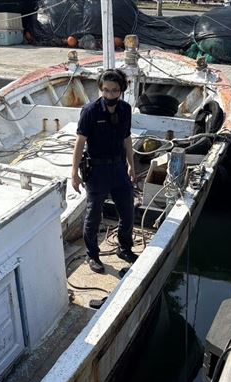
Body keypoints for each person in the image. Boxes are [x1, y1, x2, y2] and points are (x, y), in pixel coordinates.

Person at [71, 69, 138, 274]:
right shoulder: (90, 111)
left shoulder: (125, 109)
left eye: (115, 90)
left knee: (127, 210)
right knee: (94, 215)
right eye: (106, 90)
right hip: (97, 172)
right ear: (101, 89)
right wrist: (74, 173)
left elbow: (127, 137)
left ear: (122, 90)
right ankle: (93, 255)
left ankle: (124, 248)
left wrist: (131, 165)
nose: (110, 95)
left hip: (119, 169)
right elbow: (80, 142)